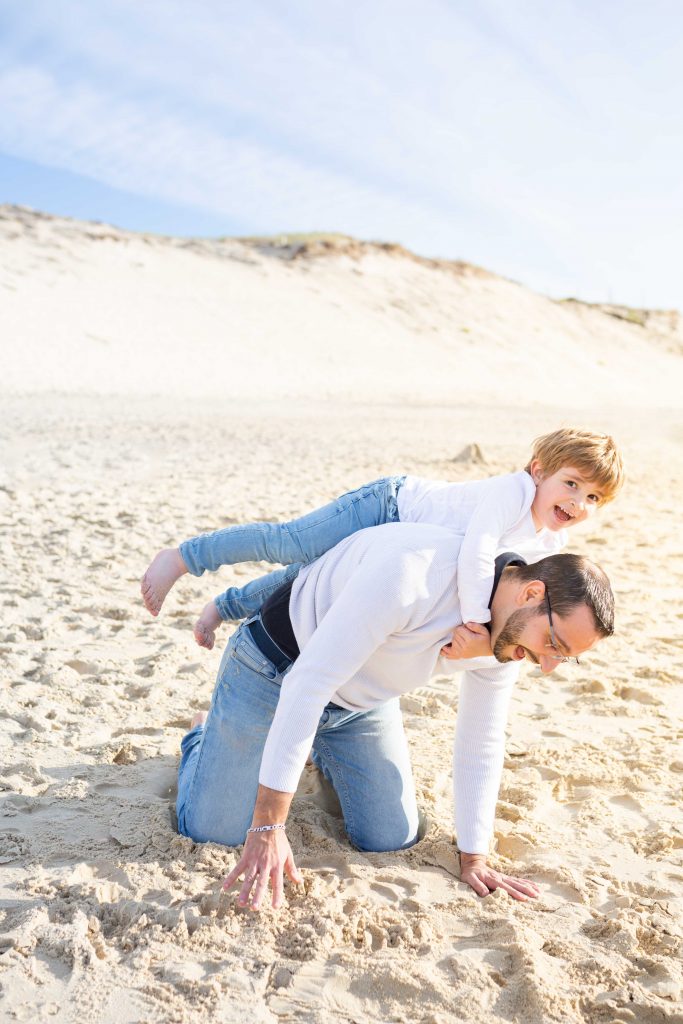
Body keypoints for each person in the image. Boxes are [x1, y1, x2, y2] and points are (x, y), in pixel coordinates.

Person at [174, 526, 614, 912]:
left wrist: (474, 857)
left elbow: (481, 740)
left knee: (391, 837)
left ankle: (308, 748)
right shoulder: (414, 573)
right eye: (554, 643)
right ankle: (203, 734)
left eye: (564, 657)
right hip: (274, 668)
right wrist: (270, 826)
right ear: (531, 594)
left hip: (359, 705)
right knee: (215, 831)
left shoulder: (508, 638)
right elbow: (307, 685)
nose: (547, 665)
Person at [142, 429, 623, 657]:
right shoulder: (512, 492)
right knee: (292, 545)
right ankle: (184, 558)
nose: (578, 502)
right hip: (389, 506)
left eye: (593, 498)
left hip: (396, 548)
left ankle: (224, 606)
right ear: (538, 470)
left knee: (305, 578)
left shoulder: (550, 539)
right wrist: (477, 620)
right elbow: (478, 551)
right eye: (572, 484)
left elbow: (523, 596)